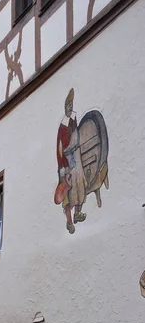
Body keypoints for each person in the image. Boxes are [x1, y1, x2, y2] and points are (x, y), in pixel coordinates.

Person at [55, 89, 86, 234]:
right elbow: (60, 149)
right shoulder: (62, 127)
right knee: (67, 193)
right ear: (65, 107)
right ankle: (68, 221)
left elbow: (77, 136)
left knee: (80, 185)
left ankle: (78, 213)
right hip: (66, 163)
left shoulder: (74, 119)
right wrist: (63, 168)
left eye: (72, 104)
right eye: (69, 105)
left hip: (76, 160)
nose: (71, 107)